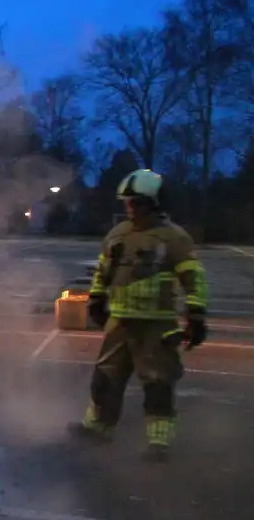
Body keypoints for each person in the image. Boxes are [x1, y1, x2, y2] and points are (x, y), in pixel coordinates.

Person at [68, 169, 209, 462]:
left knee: (158, 383)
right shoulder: (118, 234)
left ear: (154, 203)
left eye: (137, 202)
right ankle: (98, 427)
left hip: (156, 324)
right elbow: (103, 270)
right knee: (105, 378)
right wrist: (96, 298)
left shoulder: (173, 238)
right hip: (119, 321)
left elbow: (193, 278)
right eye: (128, 202)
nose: (130, 208)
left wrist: (196, 314)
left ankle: (159, 442)